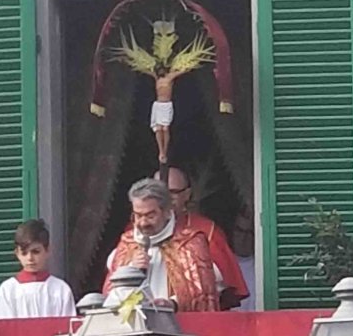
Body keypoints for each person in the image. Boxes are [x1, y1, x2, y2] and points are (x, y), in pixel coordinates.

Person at [104, 178, 219, 312]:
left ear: (167, 212)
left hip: (176, 321)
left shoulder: (190, 243)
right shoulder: (127, 243)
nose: (143, 223)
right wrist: (131, 269)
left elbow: (203, 294)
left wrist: (173, 304)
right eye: (138, 216)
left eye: (150, 216)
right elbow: (109, 296)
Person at [160, 167, 249, 310]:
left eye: (173, 192)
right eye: (158, 192)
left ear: (187, 194)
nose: (166, 199)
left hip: (193, 315)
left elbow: (220, 281)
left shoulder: (205, 230)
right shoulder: (136, 233)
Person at [0, 219, 75, 319]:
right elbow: (1, 325)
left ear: (47, 250)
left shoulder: (60, 289)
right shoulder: (8, 290)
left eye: (36, 252)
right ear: (17, 253)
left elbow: (69, 325)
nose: (30, 258)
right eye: (24, 253)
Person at [150, 65, 182, 166]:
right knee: (158, 129)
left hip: (166, 105)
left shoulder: (169, 77)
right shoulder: (157, 78)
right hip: (158, 105)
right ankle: (161, 152)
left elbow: (181, 72)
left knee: (165, 128)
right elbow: (147, 71)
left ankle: (165, 150)